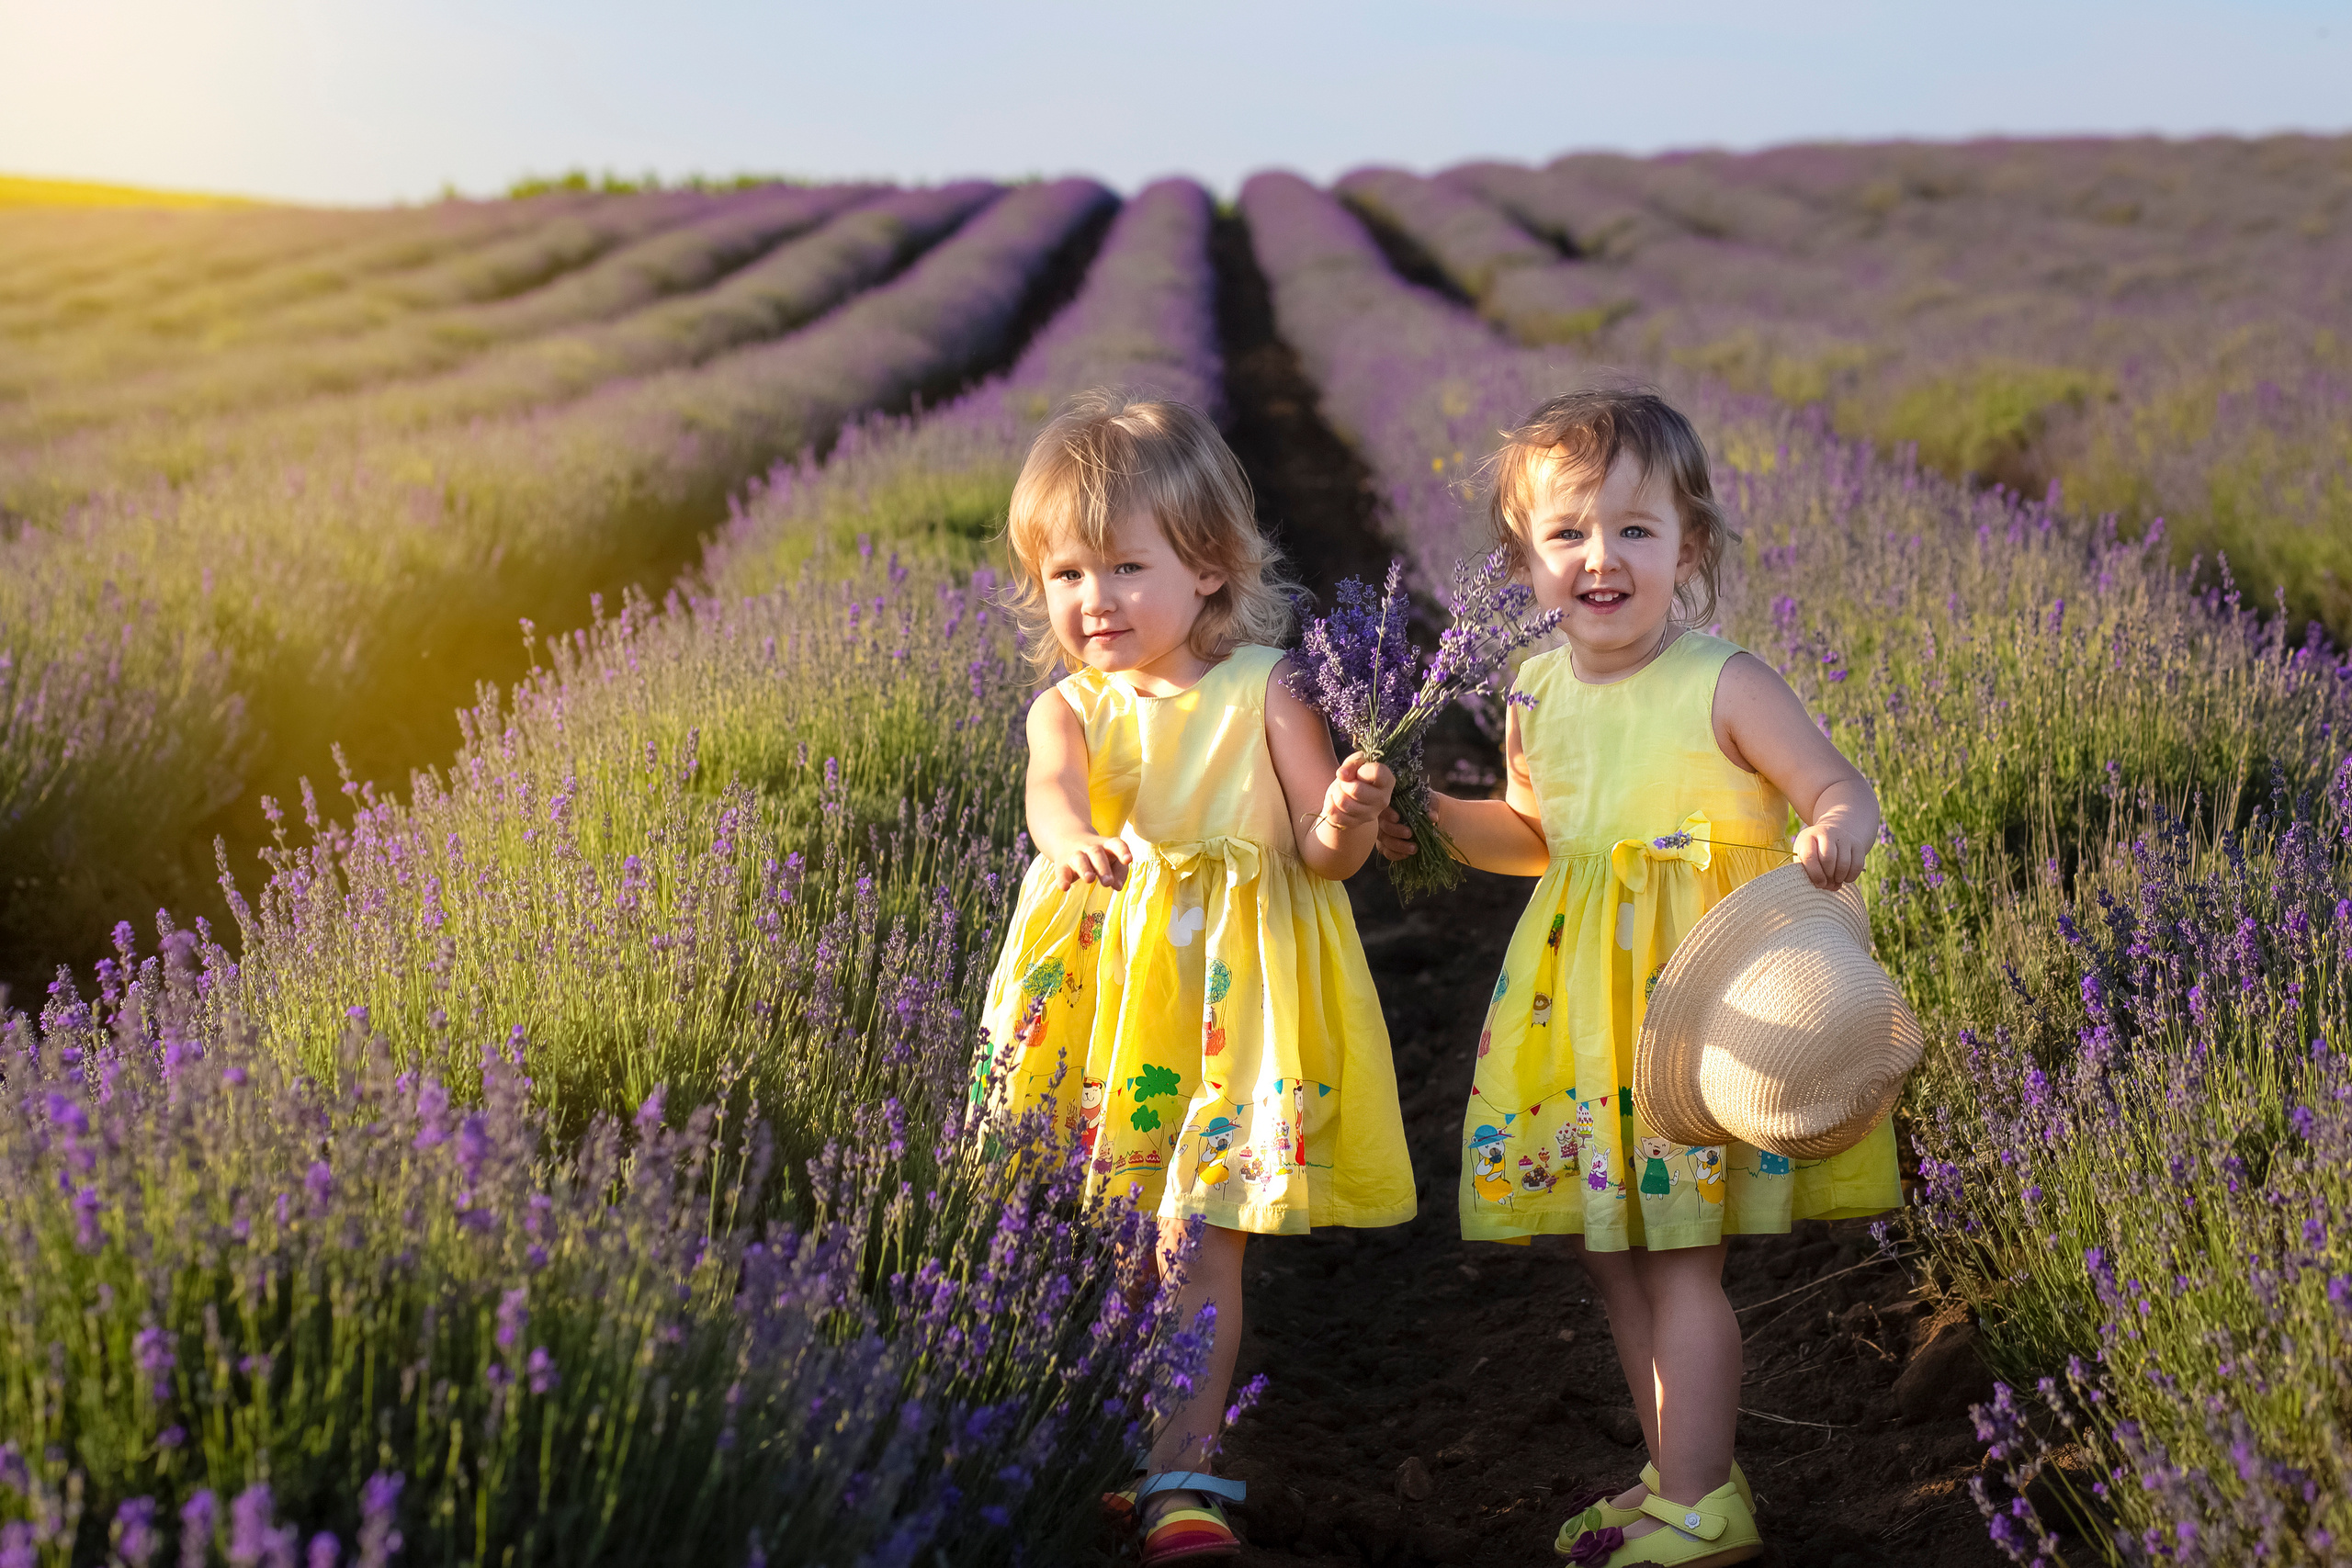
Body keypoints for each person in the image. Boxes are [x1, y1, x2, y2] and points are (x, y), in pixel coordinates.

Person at [1381, 388, 1900, 1567]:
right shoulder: (1533, 692)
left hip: (1698, 1019)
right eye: (1566, 534)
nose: (1599, 558)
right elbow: (1534, 836)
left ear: (1689, 547)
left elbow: (1838, 786)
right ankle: (1673, 1479)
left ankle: (1710, 1499)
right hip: (1587, 1020)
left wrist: (1833, 830)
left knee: (1677, 1259)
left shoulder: (1723, 680)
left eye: (1634, 530)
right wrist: (1431, 821)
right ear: (1524, 561)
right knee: (1612, 1256)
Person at [978, 390, 1415, 1565]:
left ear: (1210, 570)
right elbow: (1050, 797)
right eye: (1065, 573)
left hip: (1232, 1009)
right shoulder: (1064, 708)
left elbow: (1323, 858)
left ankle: (1186, 1476)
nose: (1093, 601)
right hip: (1109, 1003)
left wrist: (1352, 814)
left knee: (1199, 1234)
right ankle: (1125, 1446)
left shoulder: (1265, 689)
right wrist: (1068, 841)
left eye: (1125, 567)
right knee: (1120, 1232)